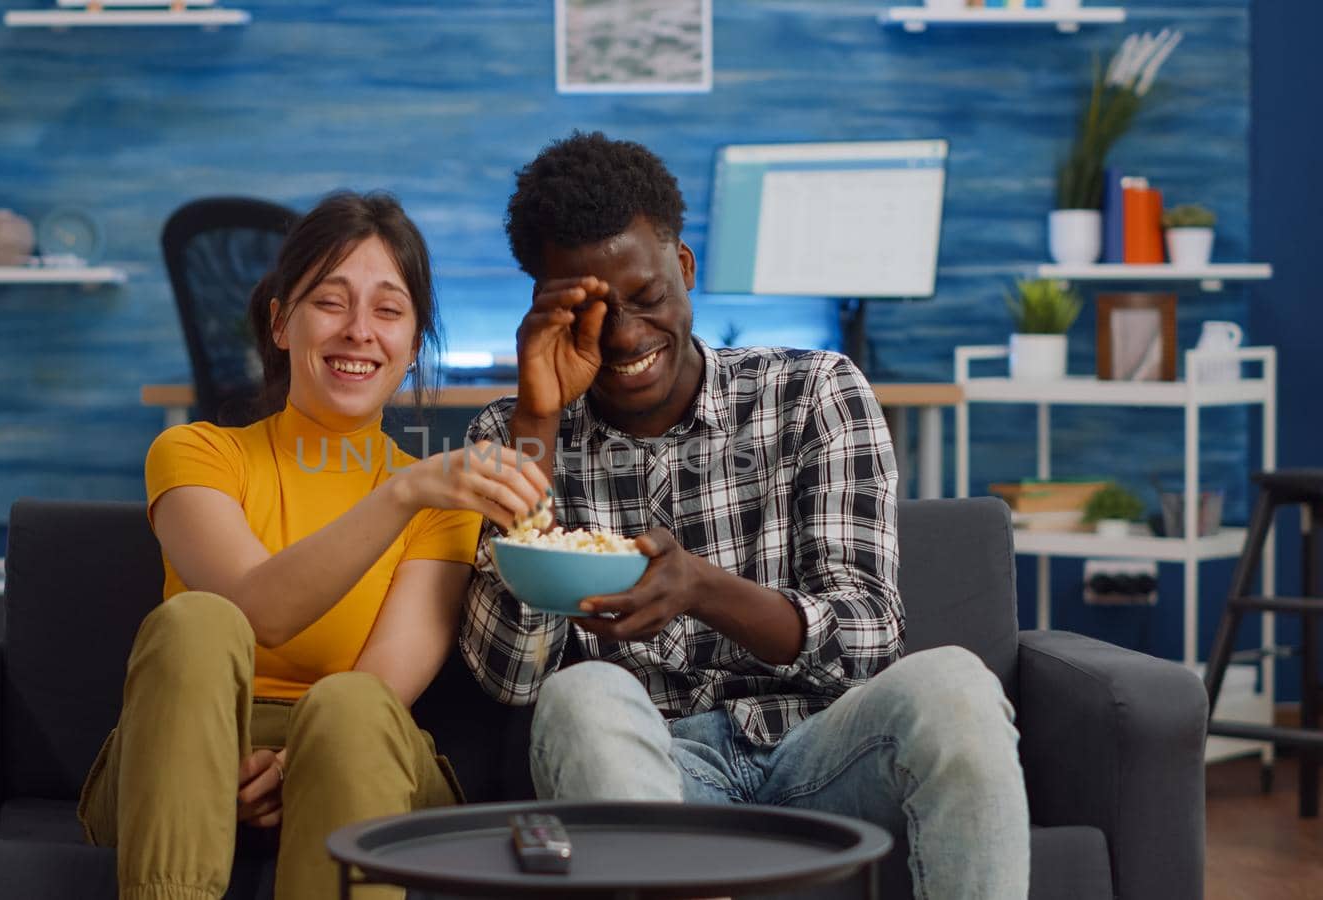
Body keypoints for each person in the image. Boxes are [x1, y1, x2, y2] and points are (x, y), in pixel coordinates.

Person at [461, 132, 1029, 898]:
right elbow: (508, 680)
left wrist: (702, 590)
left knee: (955, 683)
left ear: (685, 269)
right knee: (579, 694)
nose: (626, 337)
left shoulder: (813, 392)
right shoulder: (509, 435)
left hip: (823, 752)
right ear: (544, 310)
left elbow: (868, 638)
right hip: (652, 767)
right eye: (593, 316)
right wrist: (538, 418)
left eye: (648, 298)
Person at [79, 191, 551, 900]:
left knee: (351, 707)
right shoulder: (195, 453)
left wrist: (287, 765)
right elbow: (256, 609)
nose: (360, 331)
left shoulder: (438, 501)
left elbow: (379, 689)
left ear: (413, 343)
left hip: (354, 760)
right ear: (279, 323)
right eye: (331, 302)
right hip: (181, 756)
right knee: (198, 620)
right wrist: (398, 494)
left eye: (388, 310)